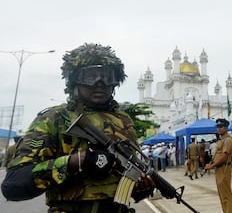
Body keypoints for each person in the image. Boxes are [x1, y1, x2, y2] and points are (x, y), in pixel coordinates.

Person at [1, 43, 155, 213]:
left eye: (107, 77)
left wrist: (142, 187)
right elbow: (14, 185)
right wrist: (76, 161)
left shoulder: (123, 121)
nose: (100, 83)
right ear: (75, 81)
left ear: (115, 81)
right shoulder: (54, 119)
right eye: (90, 77)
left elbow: (130, 180)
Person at [204, 118, 232, 213]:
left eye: (221, 126)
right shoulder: (221, 140)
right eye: (218, 127)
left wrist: (212, 166)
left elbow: (224, 157)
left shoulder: (227, 140)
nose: (219, 129)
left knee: (226, 195)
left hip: (224, 168)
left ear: (226, 127)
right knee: (222, 194)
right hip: (219, 169)